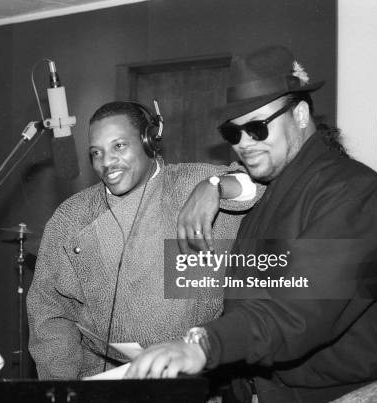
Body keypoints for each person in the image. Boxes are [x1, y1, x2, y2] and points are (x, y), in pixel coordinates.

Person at [125, 46, 377, 401]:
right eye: (233, 134)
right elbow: (252, 290)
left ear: (302, 115)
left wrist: (204, 345)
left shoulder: (354, 192)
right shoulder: (270, 194)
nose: (244, 144)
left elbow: (305, 305)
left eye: (258, 127)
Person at [27, 101, 258, 379]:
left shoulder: (191, 182)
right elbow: (50, 315)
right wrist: (61, 388)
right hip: (103, 378)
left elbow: (259, 184)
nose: (106, 162)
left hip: (194, 376)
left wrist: (214, 187)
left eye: (119, 146)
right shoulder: (71, 216)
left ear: (149, 141)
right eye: (96, 152)